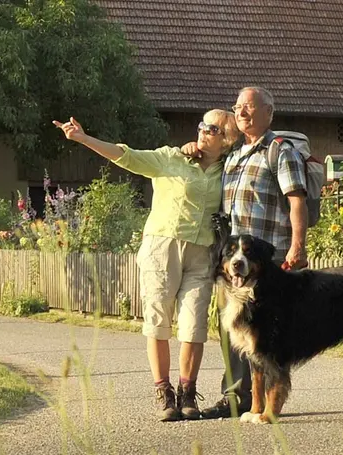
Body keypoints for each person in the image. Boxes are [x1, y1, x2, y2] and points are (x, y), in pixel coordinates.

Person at [53, 109, 241, 421]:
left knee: (193, 326)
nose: (201, 131)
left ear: (226, 138)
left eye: (210, 128)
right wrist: (83, 138)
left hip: (203, 252)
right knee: (158, 322)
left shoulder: (229, 168)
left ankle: (188, 393)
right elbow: (127, 156)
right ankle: (165, 394)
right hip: (162, 247)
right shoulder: (172, 158)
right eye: (200, 125)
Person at [191, 86, 314, 420]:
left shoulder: (278, 150)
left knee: (266, 335)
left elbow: (296, 199)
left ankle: (266, 400)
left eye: (249, 107)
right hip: (234, 263)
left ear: (268, 113)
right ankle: (236, 398)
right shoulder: (234, 154)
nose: (241, 112)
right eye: (238, 107)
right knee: (233, 329)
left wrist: (298, 246)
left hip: (266, 261)